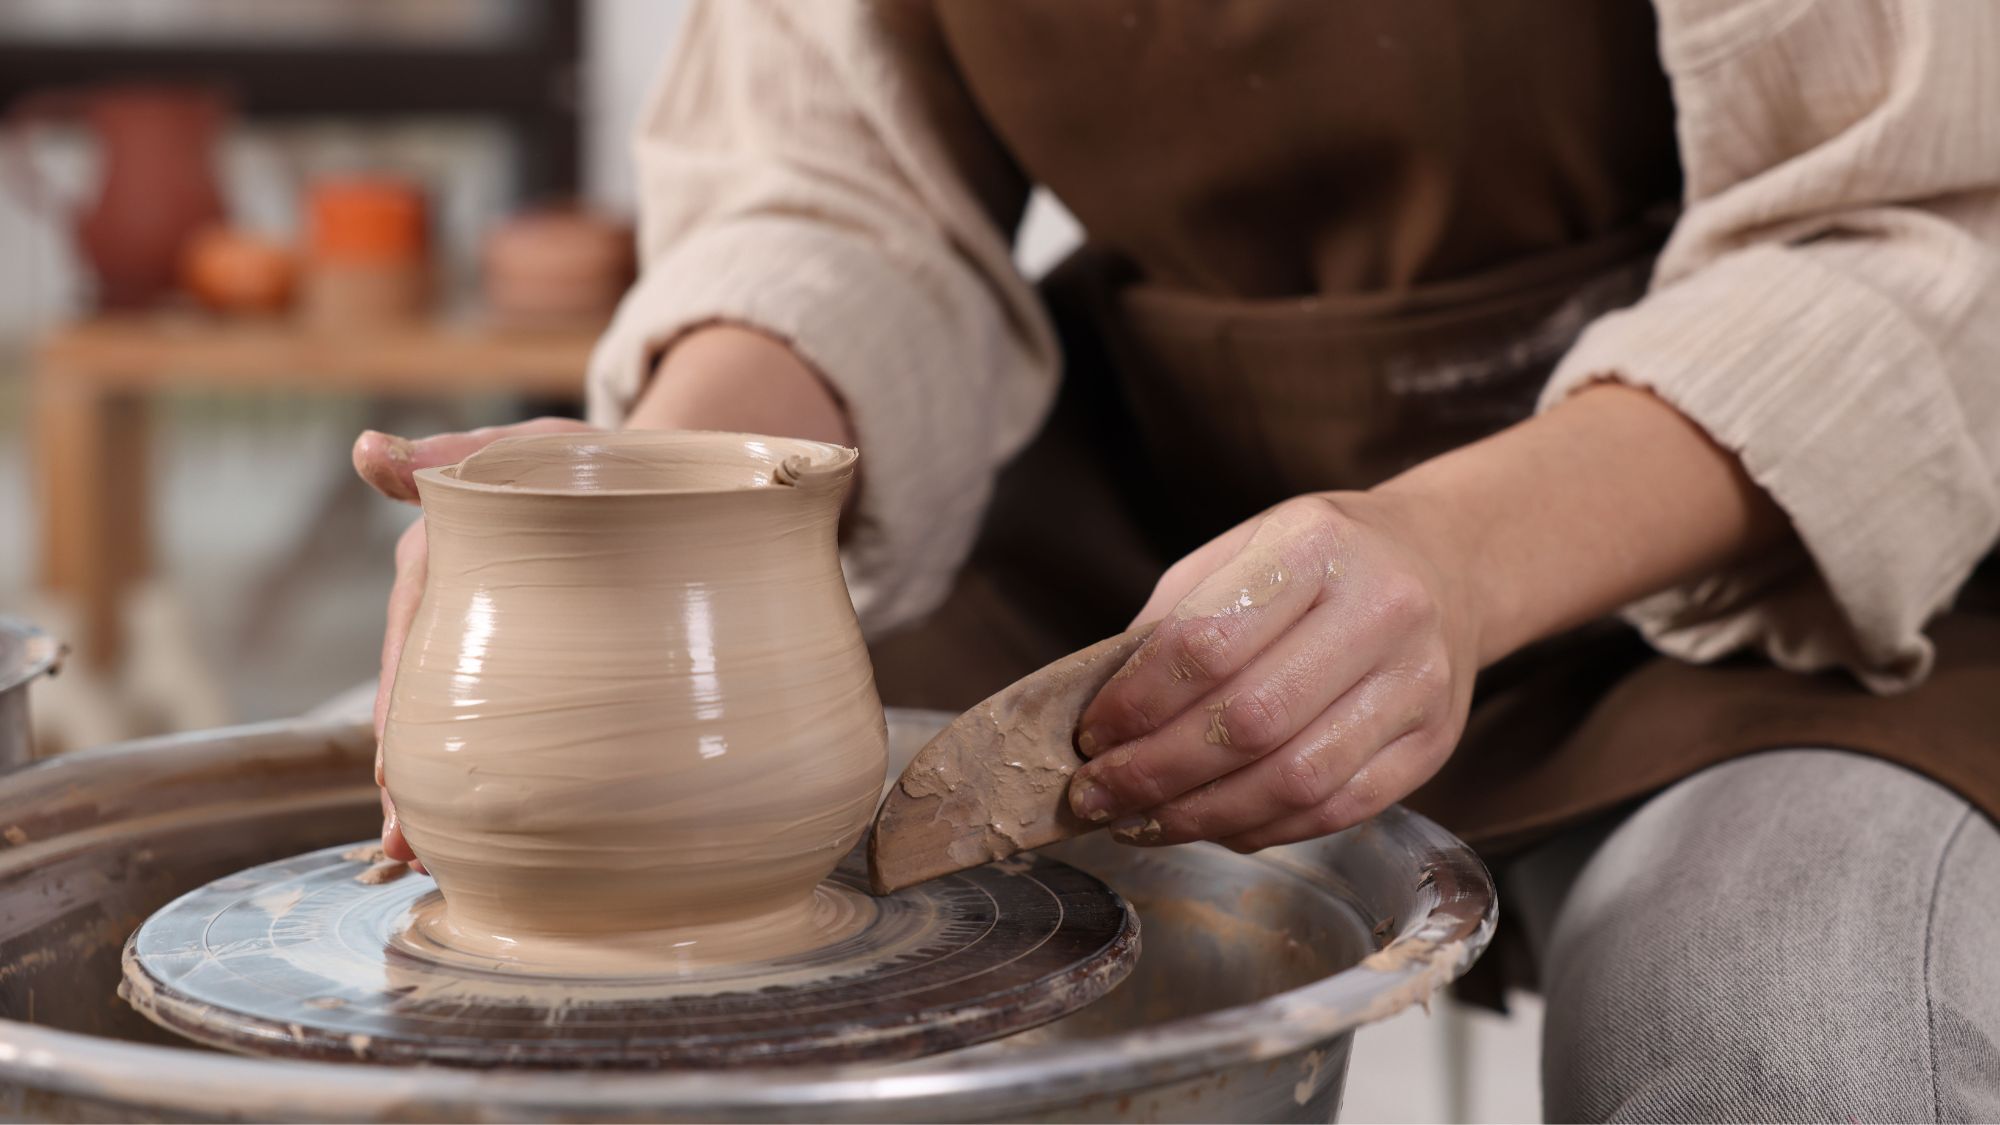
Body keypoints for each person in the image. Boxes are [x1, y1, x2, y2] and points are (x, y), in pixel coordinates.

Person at [351, 2, 2000, 1119]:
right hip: (1177, 563)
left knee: (1774, 1025)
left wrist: (1461, 553)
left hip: (1785, 551)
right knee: (827, 1022)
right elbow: (835, 188)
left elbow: (1932, 231)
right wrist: (670, 491)